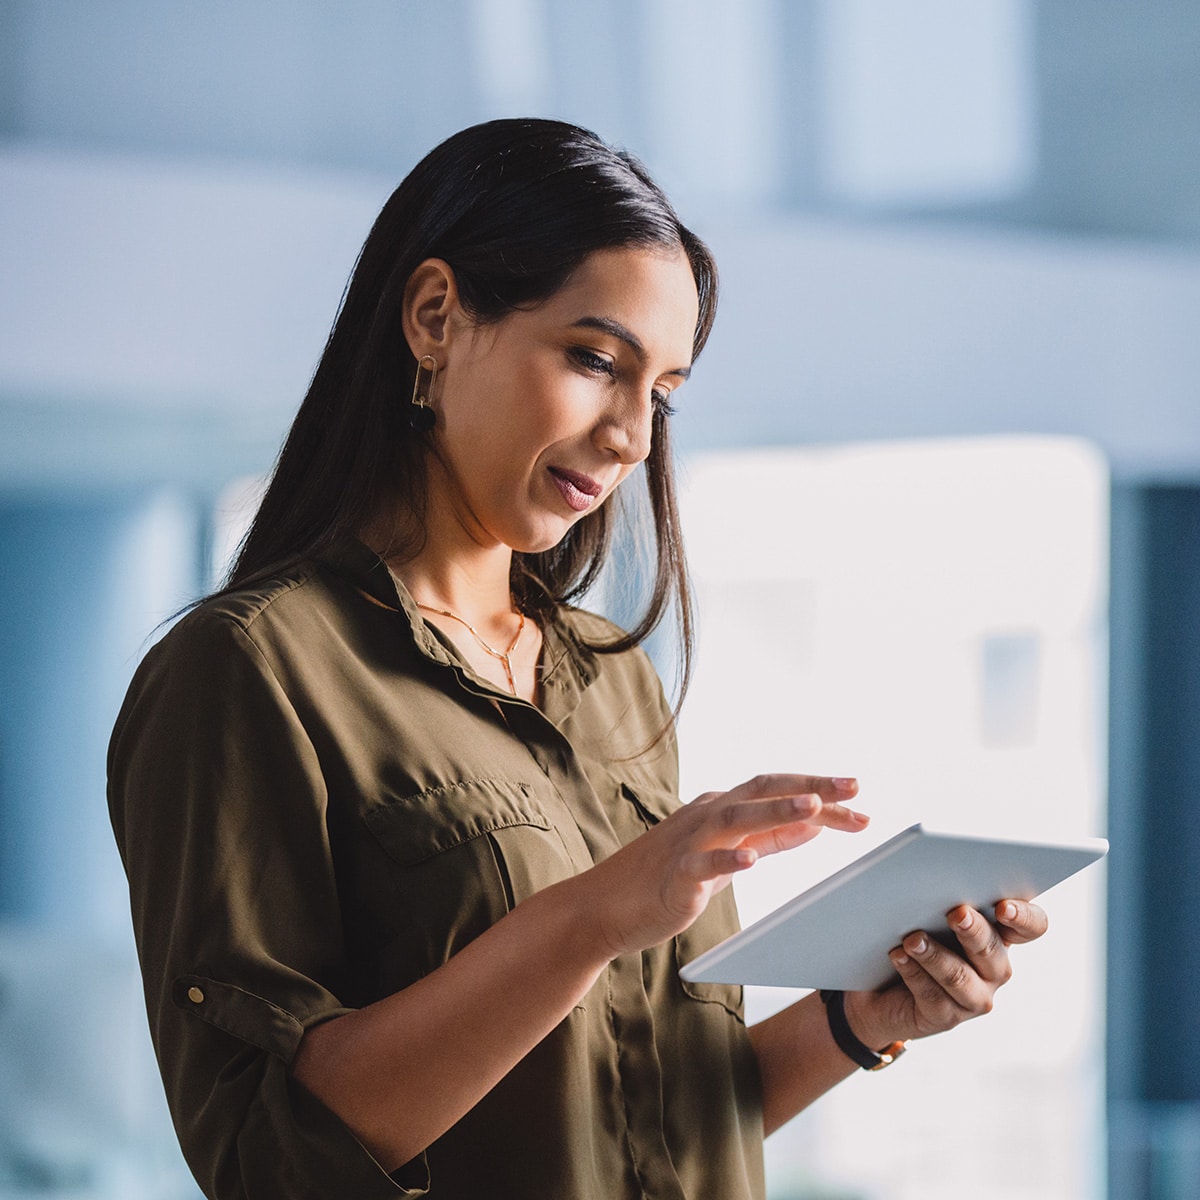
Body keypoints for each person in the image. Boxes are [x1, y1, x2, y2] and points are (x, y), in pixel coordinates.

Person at [107, 118, 1047, 1200]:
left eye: (663, 393)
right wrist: (597, 913)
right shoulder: (247, 674)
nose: (634, 439)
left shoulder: (612, 678)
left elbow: (657, 1116)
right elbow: (271, 1160)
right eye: (597, 360)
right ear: (434, 318)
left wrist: (852, 1023)